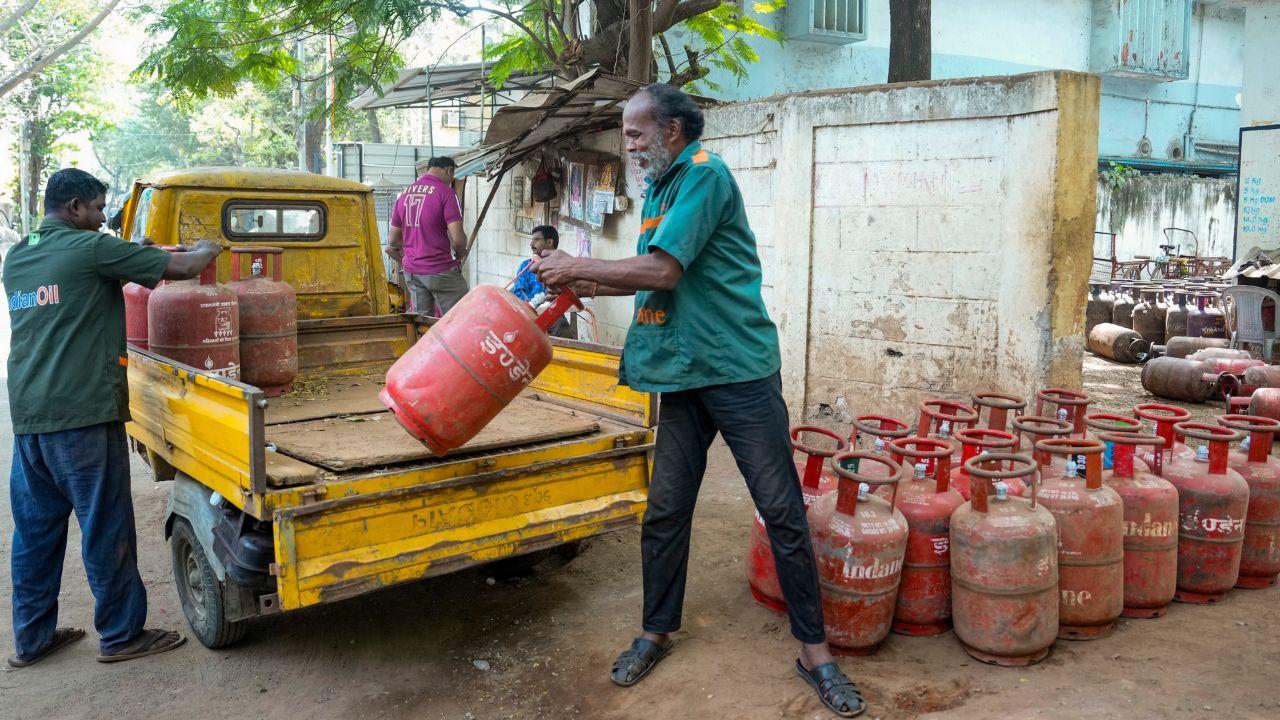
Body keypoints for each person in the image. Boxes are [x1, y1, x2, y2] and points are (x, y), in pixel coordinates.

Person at [533, 85, 866, 717]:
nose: (628, 146)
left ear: (675, 132)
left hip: (737, 372)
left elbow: (662, 272)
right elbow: (649, 279)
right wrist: (577, 279)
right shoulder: (661, 189)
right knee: (665, 511)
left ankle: (815, 652)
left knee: (781, 511)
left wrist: (581, 263)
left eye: (636, 134)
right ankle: (656, 630)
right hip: (683, 374)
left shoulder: (705, 176)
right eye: (627, 135)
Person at [4, 168, 222, 668]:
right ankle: (122, 634)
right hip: (82, 415)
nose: (104, 218)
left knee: (35, 535)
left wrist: (133, 254)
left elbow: (79, 282)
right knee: (107, 527)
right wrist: (210, 247)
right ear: (76, 207)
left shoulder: (19, 255)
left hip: (31, 421)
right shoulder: (92, 248)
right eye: (100, 208)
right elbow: (185, 269)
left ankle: (31, 639)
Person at [386, 156, 469, 319]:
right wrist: (459, 255)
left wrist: (413, 250)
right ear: (449, 171)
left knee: (421, 323)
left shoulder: (404, 194)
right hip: (440, 268)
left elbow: (393, 241)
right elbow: (459, 240)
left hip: (413, 271)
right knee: (460, 318)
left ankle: (422, 344)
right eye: (452, 176)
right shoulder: (446, 193)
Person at [513, 225, 574, 339]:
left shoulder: (562, 267)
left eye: (536, 240)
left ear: (549, 242)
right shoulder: (526, 266)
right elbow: (518, 291)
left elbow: (569, 293)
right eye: (531, 240)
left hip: (552, 315)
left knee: (561, 329)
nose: (531, 244)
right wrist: (532, 306)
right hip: (529, 315)